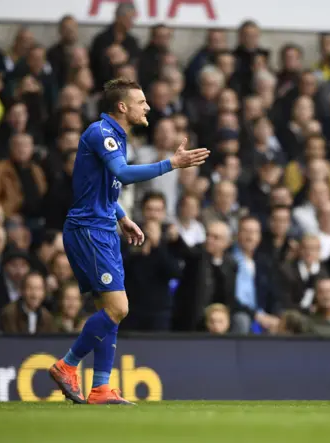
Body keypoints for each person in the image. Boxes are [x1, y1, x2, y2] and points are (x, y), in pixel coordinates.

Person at [48, 78, 210, 405]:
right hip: (90, 230)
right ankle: (67, 364)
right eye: (141, 102)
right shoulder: (102, 133)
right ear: (122, 106)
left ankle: (102, 388)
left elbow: (101, 184)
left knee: (111, 309)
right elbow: (121, 173)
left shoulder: (118, 136)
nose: (147, 107)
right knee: (119, 307)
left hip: (105, 226)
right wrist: (171, 164)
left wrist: (122, 216)